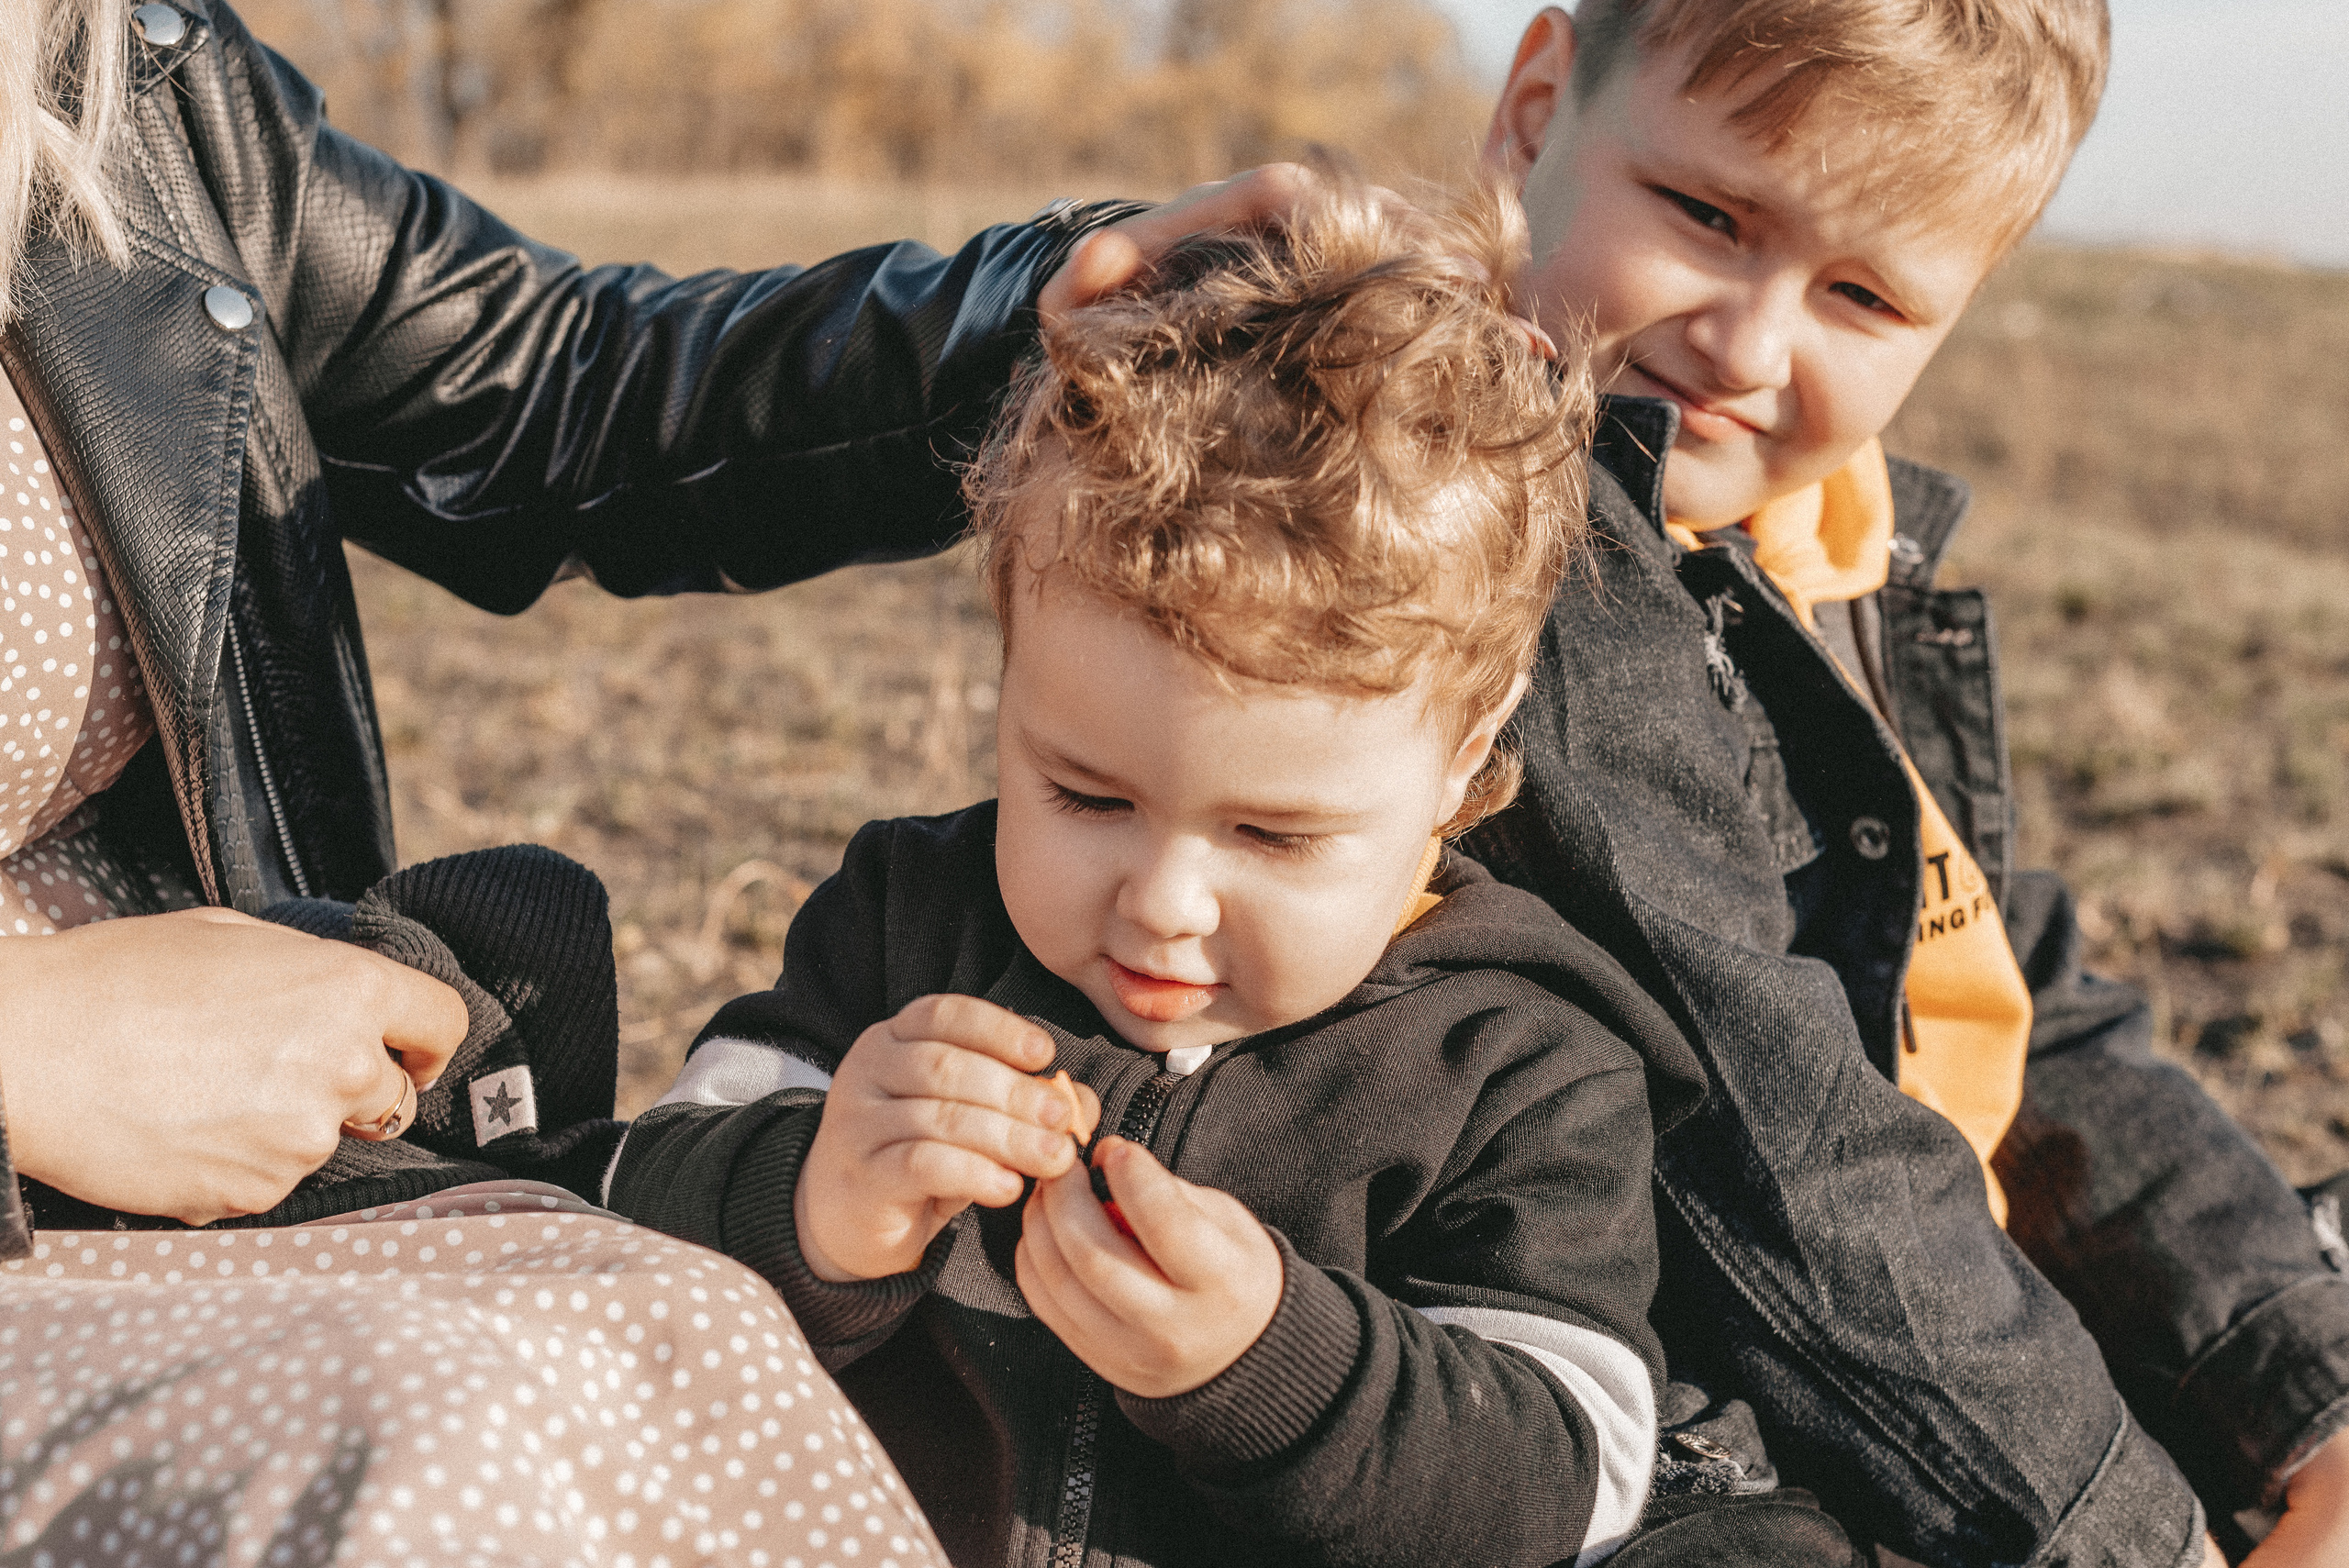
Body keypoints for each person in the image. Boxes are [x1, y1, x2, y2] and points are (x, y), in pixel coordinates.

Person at [0, 0, 1306, 1556]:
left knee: (678, 1335)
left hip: (217, 1184)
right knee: (434, 1438)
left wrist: (1043, 314)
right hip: (93, 1181)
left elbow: (545, 386)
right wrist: (41, 1046)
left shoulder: (102, 62)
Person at [605, 184, 1750, 1568]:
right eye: (1085, 794)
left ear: (1465, 750)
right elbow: (627, 1209)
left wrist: (1273, 1362)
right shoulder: (908, 924)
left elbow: (1566, 1482)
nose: (1163, 898)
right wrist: (811, 1198)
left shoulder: (1519, 1068)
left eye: (1273, 836)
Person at [1463, 2, 2349, 1564]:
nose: (1745, 343)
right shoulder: (1515, 548)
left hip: (1930, 1337)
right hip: (1650, 1402)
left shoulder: (1819, 549)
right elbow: (1785, 1151)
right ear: (1538, 112)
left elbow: (2017, 995)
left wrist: (2306, 1391)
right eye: (1706, 214)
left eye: (1863, 295)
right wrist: (2136, 1538)